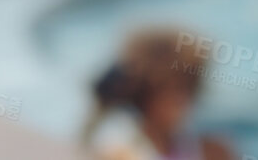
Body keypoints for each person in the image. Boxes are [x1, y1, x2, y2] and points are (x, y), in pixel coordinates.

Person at [80, 26, 236, 160]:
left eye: (188, 87)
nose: (182, 99)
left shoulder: (214, 149)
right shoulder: (119, 151)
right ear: (144, 94)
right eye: (172, 89)